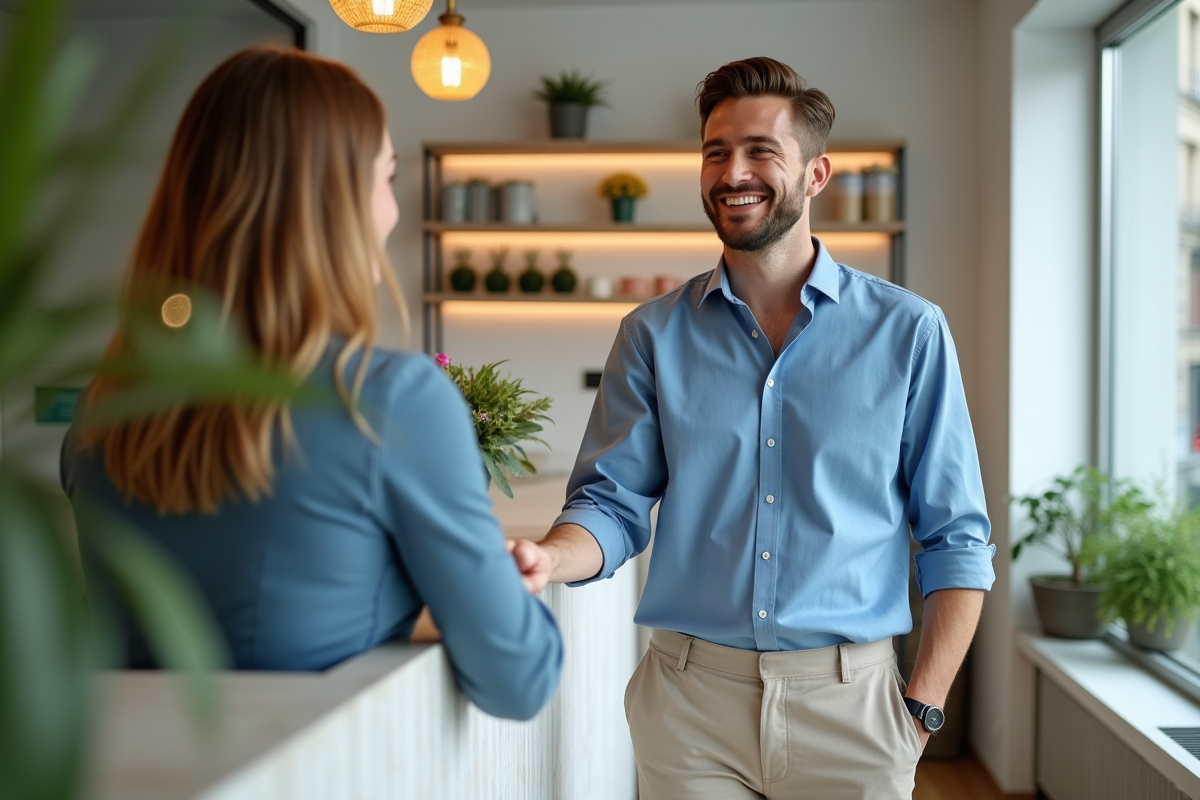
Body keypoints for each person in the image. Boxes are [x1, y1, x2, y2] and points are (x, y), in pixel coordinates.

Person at [507, 57, 995, 795]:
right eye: (715, 152)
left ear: (816, 174)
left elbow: (956, 537)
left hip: (853, 706)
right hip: (689, 704)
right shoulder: (652, 335)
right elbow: (609, 505)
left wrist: (920, 709)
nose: (733, 171)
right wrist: (549, 560)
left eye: (761, 151)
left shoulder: (909, 332)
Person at [60, 47, 561, 721]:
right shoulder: (390, 397)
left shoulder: (105, 408)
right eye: (386, 178)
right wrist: (488, 592)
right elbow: (518, 681)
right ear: (333, 202)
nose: (392, 211)